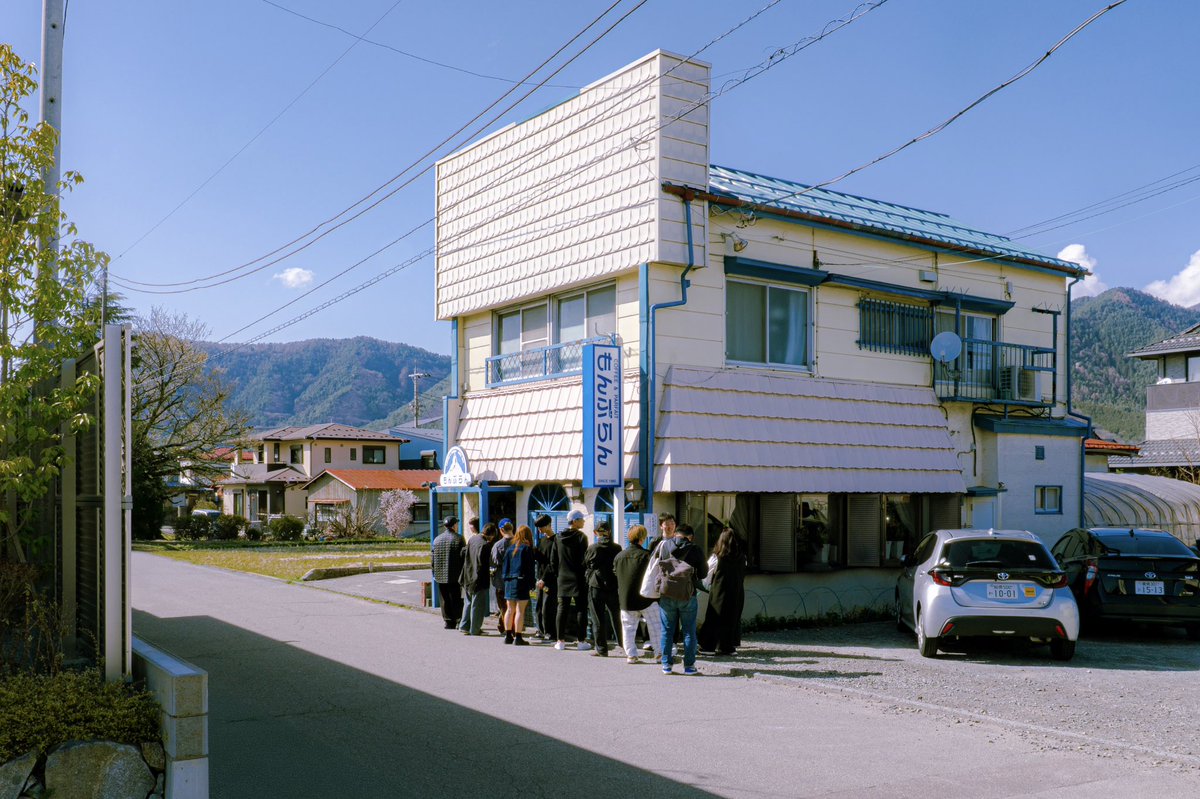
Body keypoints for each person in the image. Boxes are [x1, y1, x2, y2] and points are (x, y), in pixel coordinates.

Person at [657, 522, 707, 675]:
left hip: (666, 593)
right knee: (689, 631)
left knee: (666, 630)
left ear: (675, 534)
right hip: (687, 595)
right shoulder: (695, 549)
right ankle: (689, 666)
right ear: (690, 537)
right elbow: (704, 573)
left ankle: (666, 665)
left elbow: (656, 565)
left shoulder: (664, 546)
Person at [614, 524, 662, 664]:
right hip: (646, 598)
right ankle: (659, 653)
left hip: (626, 598)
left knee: (628, 628)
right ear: (642, 538)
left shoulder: (619, 556)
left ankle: (631, 655)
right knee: (655, 626)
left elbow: (615, 574)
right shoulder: (647, 555)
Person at [698, 527, 746, 656]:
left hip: (719, 593)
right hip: (737, 593)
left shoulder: (717, 557)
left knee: (714, 618)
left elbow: (706, 578)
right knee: (732, 618)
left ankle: (708, 647)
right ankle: (727, 647)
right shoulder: (742, 557)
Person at [553, 509, 591, 651]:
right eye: (581, 519)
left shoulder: (558, 537)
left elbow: (553, 560)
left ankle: (560, 641)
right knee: (581, 609)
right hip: (578, 578)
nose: (583, 521)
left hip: (563, 577)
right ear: (574, 521)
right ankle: (581, 640)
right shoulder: (581, 537)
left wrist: (559, 574)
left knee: (562, 609)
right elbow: (584, 560)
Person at [584, 521, 621, 657]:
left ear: (595, 533)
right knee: (616, 616)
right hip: (612, 585)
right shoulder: (617, 548)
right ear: (609, 532)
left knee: (597, 618)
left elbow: (586, 564)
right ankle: (623, 644)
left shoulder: (592, 548)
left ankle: (601, 648)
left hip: (596, 585)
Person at [501, 525, 537, 645]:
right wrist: (532, 584)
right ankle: (518, 637)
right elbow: (530, 569)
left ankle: (507, 635)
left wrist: (505, 580)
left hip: (509, 581)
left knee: (509, 609)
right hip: (521, 581)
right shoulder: (527, 549)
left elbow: (504, 567)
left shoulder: (510, 549)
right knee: (520, 610)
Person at [459, 519, 492, 635]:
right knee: (477, 605)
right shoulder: (485, 545)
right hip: (479, 578)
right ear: (491, 535)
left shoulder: (472, 539)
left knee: (468, 602)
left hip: (468, 575)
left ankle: (464, 626)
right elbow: (483, 564)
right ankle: (475, 629)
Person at [430, 517, 465, 630]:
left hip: (440, 574)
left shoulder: (437, 539)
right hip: (455, 573)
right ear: (454, 525)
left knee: (444, 598)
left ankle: (448, 621)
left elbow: (433, 559)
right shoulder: (459, 538)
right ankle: (458, 619)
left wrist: (434, 572)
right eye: (456, 524)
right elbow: (463, 557)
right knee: (455, 597)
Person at [533, 514, 558, 641]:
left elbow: (553, 563)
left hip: (550, 579)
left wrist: (544, 578)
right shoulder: (542, 541)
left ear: (548, 525)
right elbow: (541, 558)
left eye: (541, 527)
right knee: (538, 606)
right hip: (540, 578)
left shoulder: (556, 540)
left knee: (548, 607)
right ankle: (540, 630)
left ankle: (550, 632)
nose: (539, 530)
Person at [491, 519, 514, 635]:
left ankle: (505, 627)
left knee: (504, 607)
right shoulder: (520, 543)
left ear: (501, 530)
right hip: (516, 580)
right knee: (515, 606)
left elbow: (494, 561)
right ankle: (515, 627)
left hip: (501, 580)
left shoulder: (498, 545)